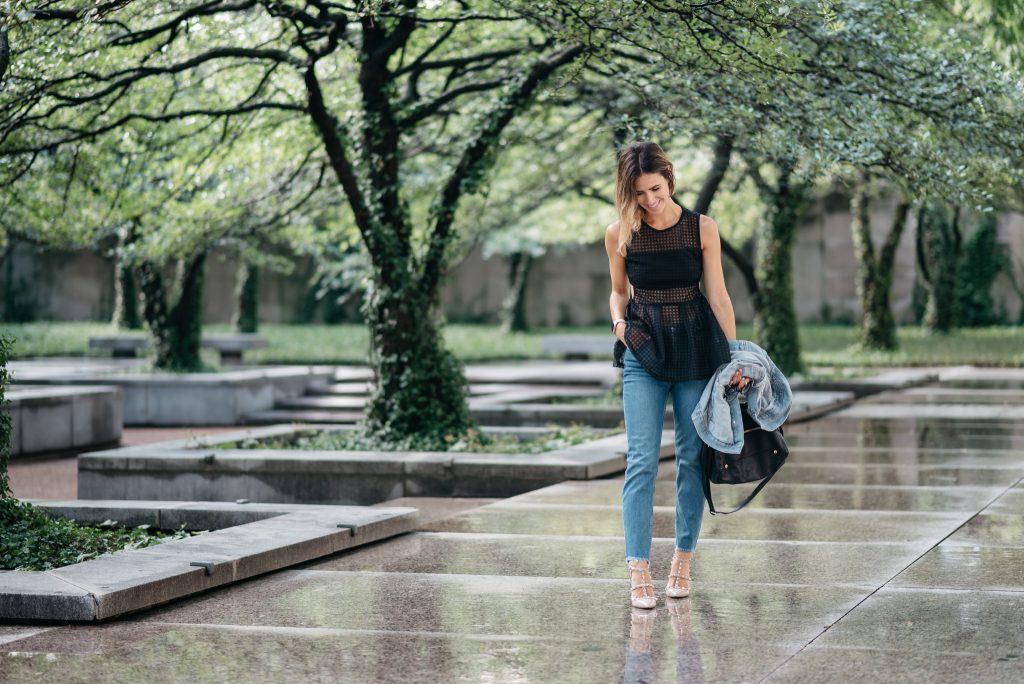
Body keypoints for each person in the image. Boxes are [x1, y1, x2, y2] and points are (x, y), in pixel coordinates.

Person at [605, 141, 749, 609]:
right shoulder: (620, 234)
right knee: (641, 460)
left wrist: (734, 361)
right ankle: (638, 569)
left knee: (691, 457)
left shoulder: (701, 228)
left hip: (694, 349)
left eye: (655, 188)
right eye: (639, 193)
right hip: (642, 350)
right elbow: (617, 293)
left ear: (669, 179)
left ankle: (683, 560)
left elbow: (720, 297)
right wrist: (620, 326)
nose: (649, 200)